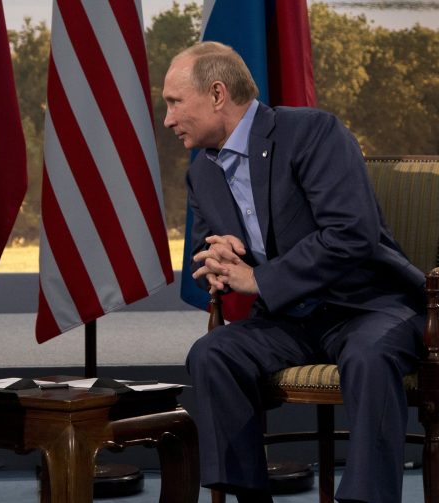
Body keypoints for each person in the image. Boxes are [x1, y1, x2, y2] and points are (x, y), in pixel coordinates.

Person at [163, 41, 426, 503]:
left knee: (369, 357)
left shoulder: (312, 132)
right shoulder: (202, 173)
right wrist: (217, 259)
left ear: (218, 94)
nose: (167, 119)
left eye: (174, 102)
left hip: (370, 305)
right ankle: (250, 497)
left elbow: (352, 233)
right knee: (213, 355)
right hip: (289, 320)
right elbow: (203, 260)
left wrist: (260, 280)